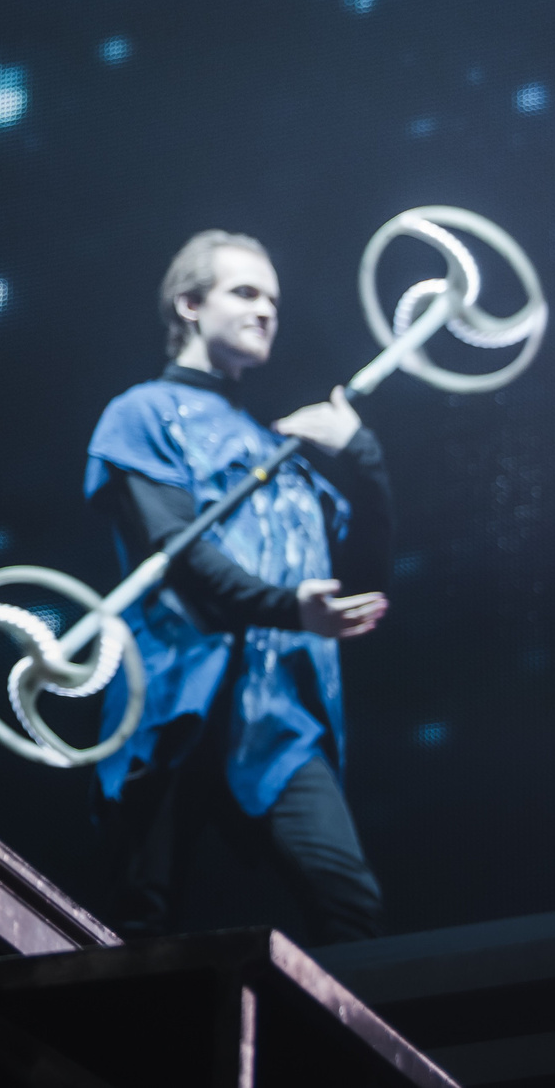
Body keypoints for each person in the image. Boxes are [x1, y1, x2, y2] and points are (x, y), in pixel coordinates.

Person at [85, 230, 396, 944]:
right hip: (169, 697)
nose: (266, 311)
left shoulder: (280, 451)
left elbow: (365, 586)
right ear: (189, 303)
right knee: (139, 921)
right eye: (245, 292)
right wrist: (292, 607)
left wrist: (364, 458)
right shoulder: (141, 414)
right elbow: (180, 554)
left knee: (353, 909)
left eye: (274, 300)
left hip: (279, 718)